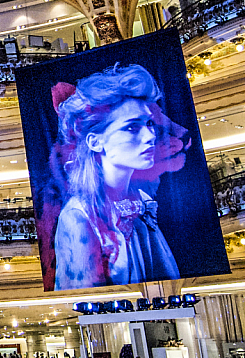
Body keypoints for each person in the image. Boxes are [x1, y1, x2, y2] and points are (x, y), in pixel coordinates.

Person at [51, 64, 183, 289]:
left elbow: (168, 281)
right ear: (95, 141)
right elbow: (86, 302)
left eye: (149, 123)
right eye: (132, 128)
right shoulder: (78, 216)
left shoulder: (141, 201)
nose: (150, 135)